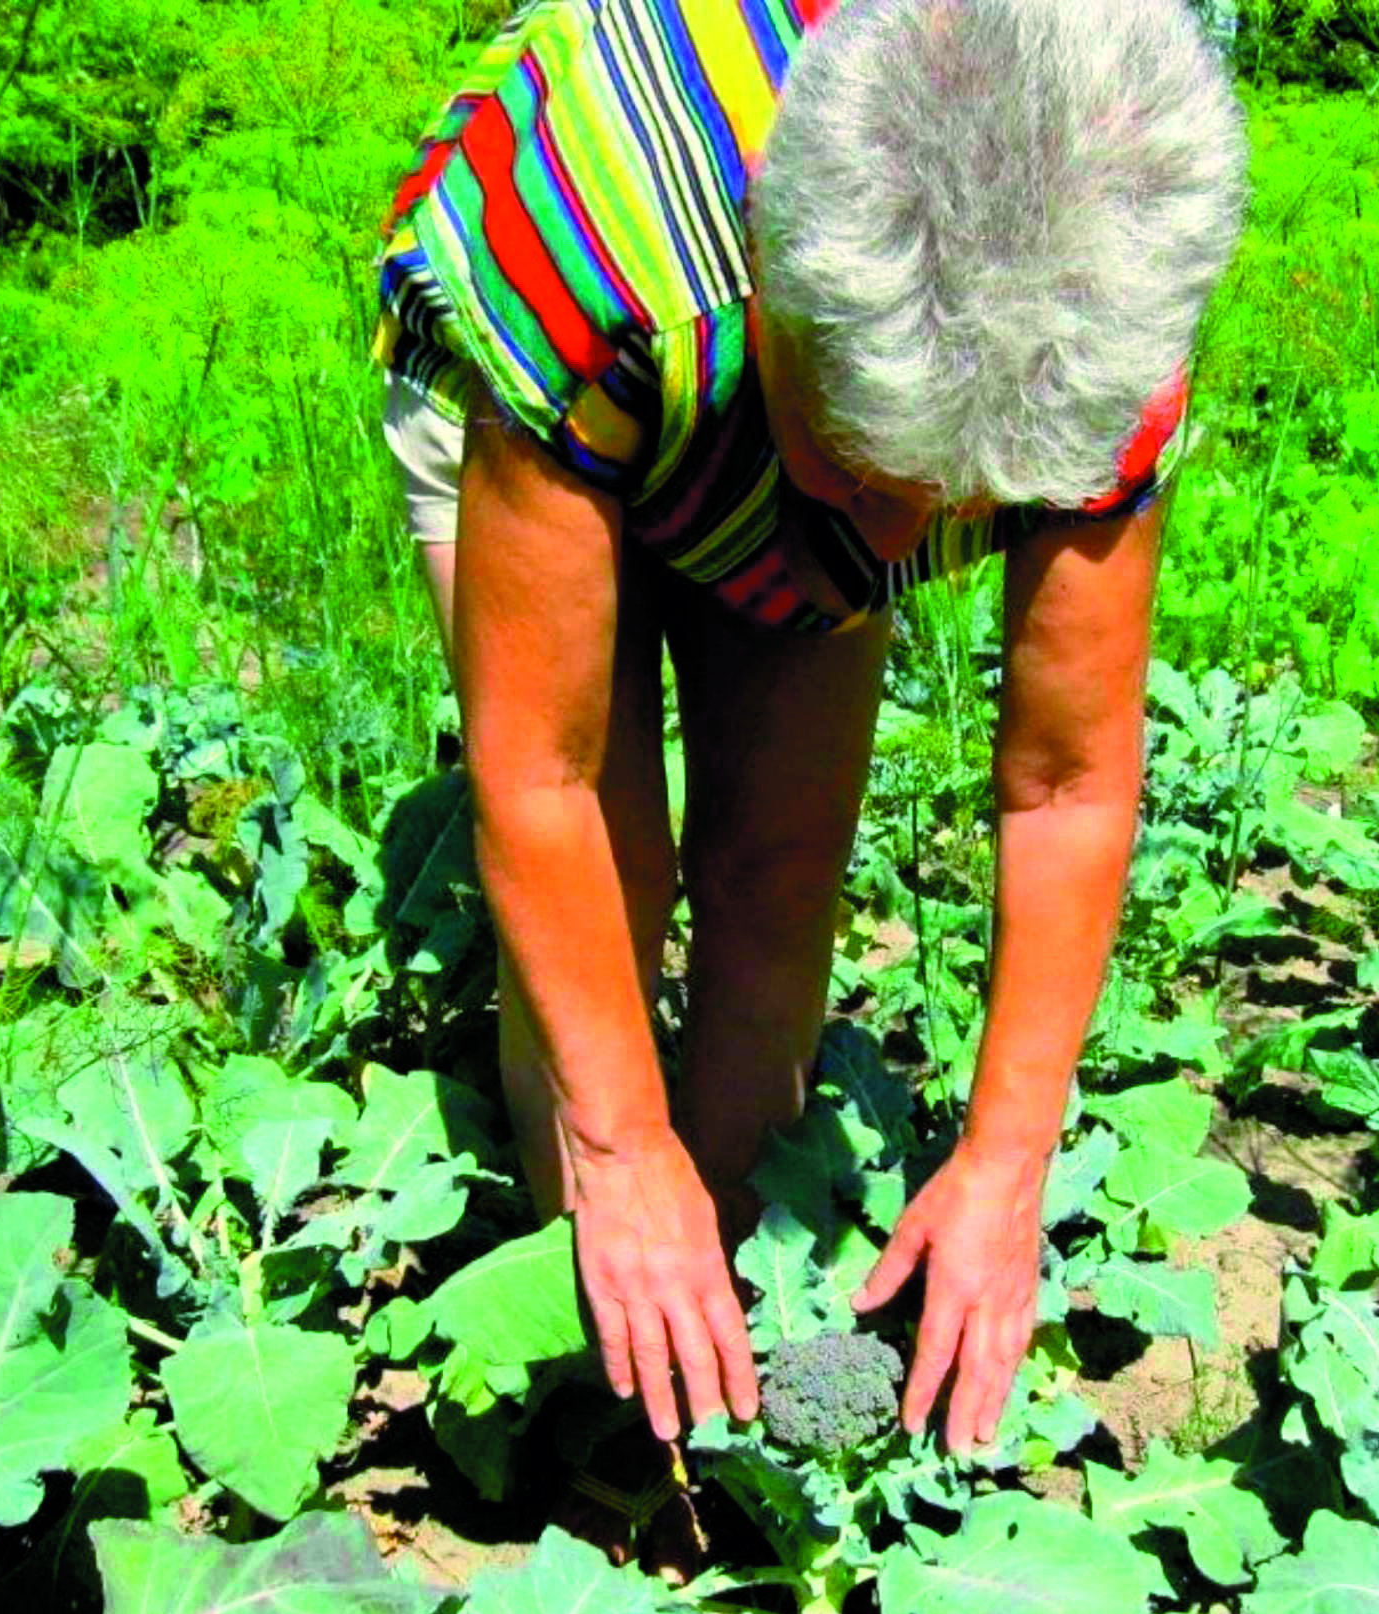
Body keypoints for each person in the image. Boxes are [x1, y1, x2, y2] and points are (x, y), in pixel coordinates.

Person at [374, 0, 1247, 1469]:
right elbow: (543, 776)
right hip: (578, 372)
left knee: (778, 873)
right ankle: (608, 1367)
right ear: (780, 286)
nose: (894, 546)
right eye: (862, 470)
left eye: (954, 501)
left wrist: (1006, 1165)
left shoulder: (1101, 289)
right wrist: (622, 1146)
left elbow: (1067, 784)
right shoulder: (588, 244)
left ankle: (732, 1345)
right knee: (609, 896)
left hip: (781, 378)